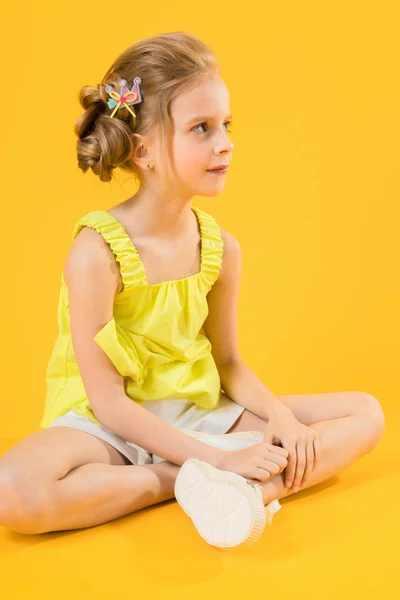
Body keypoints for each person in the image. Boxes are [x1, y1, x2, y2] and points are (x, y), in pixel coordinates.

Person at [0, 32, 385, 549]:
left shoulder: (221, 249)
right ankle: (182, 483)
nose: (225, 141)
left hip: (204, 414)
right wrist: (214, 458)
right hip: (111, 429)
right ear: (144, 151)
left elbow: (228, 364)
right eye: (201, 128)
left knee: (367, 413)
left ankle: (247, 488)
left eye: (226, 125)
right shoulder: (97, 252)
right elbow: (109, 403)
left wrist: (281, 417)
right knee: (12, 491)